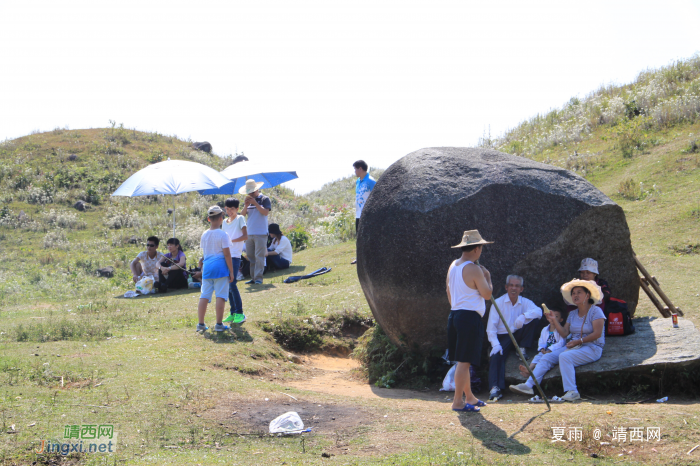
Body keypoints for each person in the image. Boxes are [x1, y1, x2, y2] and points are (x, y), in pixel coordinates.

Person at [509, 279, 606, 402]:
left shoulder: (596, 311)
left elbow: (597, 334)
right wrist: (554, 320)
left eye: (579, 292)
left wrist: (578, 341)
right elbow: (565, 333)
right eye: (573, 293)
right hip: (573, 346)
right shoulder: (572, 314)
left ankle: (572, 391)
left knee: (565, 357)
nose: (575, 295)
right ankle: (528, 386)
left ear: (587, 295)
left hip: (592, 347)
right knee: (547, 357)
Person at [446, 230, 494, 412]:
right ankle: (458, 401)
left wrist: (457, 307)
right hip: (469, 318)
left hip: (455, 315)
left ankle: (470, 397)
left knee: (462, 361)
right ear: (477, 249)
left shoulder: (453, 265)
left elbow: (448, 291)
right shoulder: (474, 269)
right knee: (464, 361)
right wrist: (487, 277)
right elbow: (487, 294)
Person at [486, 275, 543, 401]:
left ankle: (522, 348)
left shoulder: (525, 302)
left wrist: (523, 316)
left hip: (518, 335)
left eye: (517, 286)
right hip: (502, 337)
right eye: (511, 285)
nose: (514, 288)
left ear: (521, 289)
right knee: (496, 355)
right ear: (506, 287)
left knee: (532, 319)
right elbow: (491, 328)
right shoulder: (498, 302)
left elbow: (539, 311)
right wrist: (495, 344)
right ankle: (495, 387)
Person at [196, 206, 235, 333]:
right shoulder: (223, 234)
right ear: (221, 218)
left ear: (208, 219)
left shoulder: (204, 234)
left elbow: (205, 252)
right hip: (220, 268)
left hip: (207, 268)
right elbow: (227, 254)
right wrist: (232, 271)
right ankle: (219, 324)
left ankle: (200, 324)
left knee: (205, 295)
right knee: (221, 295)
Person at [518, 309, 566, 378]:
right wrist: (542, 348)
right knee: (537, 357)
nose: (553, 318)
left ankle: (530, 373)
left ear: (561, 320)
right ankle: (529, 369)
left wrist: (550, 350)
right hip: (546, 350)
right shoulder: (544, 329)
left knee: (543, 361)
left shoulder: (561, 330)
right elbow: (542, 341)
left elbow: (561, 343)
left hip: (555, 351)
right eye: (551, 316)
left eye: (556, 316)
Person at [221, 198, 247, 324]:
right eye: (227, 209)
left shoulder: (240, 218)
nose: (229, 211)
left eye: (232, 209)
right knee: (227, 285)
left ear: (237, 209)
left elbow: (245, 236)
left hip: (235, 256)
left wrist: (231, 241)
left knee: (232, 283)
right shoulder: (224, 222)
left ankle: (240, 313)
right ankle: (233, 313)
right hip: (225, 256)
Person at [241, 179, 271, 285]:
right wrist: (246, 205)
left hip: (261, 233)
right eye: (249, 192)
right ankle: (253, 277)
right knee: (251, 256)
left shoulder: (264, 199)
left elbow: (265, 212)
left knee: (259, 256)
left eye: (252, 192)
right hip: (250, 233)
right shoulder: (248, 202)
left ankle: (258, 278)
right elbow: (242, 216)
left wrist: (255, 203)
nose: (251, 194)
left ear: (257, 189)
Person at [351, 160, 376, 265]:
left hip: (368, 214)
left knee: (369, 236)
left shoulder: (371, 181)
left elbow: (377, 196)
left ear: (360, 168)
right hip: (358, 214)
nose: (355, 171)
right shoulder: (358, 181)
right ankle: (360, 257)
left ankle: (371, 257)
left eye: (355, 169)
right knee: (359, 236)